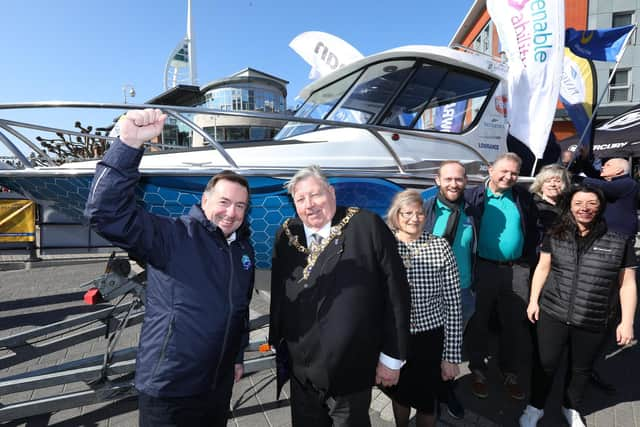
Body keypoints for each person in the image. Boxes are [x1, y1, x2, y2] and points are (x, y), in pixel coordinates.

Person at [85, 109, 255, 427]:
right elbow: (105, 214)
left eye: (240, 205)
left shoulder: (242, 249)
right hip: (170, 390)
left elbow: (239, 310)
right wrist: (128, 145)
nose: (231, 212)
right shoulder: (173, 236)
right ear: (204, 201)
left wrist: (236, 356)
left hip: (217, 387)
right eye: (224, 202)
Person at [268, 165, 410, 427]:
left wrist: (392, 357)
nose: (309, 205)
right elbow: (279, 291)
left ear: (332, 193)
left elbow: (396, 292)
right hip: (302, 373)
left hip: (350, 371)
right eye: (301, 199)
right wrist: (277, 339)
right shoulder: (287, 235)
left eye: (316, 195)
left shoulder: (366, 225)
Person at [519, 185, 637, 427]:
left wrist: (627, 322)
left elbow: (627, 284)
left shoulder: (619, 241)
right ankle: (535, 407)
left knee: (581, 369)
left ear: (600, 207)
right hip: (553, 311)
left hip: (594, 317)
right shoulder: (556, 234)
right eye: (578, 203)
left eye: (591, 203)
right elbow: (543, 268)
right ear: (570, 207)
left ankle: (570, 407)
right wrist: (533, 300)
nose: (584, 208)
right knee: (545, 364)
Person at [385, 189, 462, 427]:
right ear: (396, 215)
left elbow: (453, 303)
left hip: (430, 337)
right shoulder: (384, 247)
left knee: (427, 400)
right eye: (407, 213)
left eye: (419, 213)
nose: (414, 218)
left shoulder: (440, 247)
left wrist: (451, 356)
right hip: (394, 337)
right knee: (399, 391)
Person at [465, 152, 539, 401]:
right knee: (479, 320)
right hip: (483, 268)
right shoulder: (473, 196)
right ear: (490, 169)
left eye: (514, 173)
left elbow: (534, 230)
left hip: (517, 268)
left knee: (514, 322)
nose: (509, 177)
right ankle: (478, 370)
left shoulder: (523, 197)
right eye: (504, 171)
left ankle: (509, 372)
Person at [424, 160, 476, 419]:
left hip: (463, 293)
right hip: (429, 295)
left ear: (465, 181)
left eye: (459, 179)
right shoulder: (424, 211)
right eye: (448, 179)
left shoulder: (473, 211)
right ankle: (427, 392)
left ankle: (445, 391)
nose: (454, 184)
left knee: (452, 347)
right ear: (437, 180)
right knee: (429, 346)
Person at [573, 156, 639, 240]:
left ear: (619, 170)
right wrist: (583, 158)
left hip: (620, 234)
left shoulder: (628, 183)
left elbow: (606, 186)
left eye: (608, 165)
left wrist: (576, 178)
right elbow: (592, 173)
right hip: (606, 232)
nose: (602, 167)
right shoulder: (612, 181)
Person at [530, 164, 571, 232]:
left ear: (565, 184)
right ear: (540, 184)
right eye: (548, 181)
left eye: (558, 181)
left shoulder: (570, 204)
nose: (552, 184)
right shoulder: (532, 205)